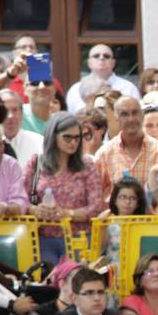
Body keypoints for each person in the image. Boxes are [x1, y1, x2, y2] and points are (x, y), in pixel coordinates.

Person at [25, 113, 104, 264]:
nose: (73, 142)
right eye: (67, 137)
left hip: (78, 239)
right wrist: (35, 210)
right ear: (53, 137)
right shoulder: (36, 163)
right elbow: (20, 199)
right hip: (41, 238)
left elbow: (96, 206)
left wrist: (67, 213)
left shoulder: (87, 165)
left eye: (77, 138)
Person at [93, 95, 158, 198]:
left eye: (135, 113)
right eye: (124, 114)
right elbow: (95, 196)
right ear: (116, 118)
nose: (131, 119)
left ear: (141, 115)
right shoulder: (103, 155)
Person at [66, 45, 140, 112]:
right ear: (89, 62)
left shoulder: (129, 88)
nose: (101, 58)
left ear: (113, 63)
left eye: (106, 56)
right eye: (96, 56)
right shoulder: (75, 89)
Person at [0, 90, 42, 168]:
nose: (10, 116)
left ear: (21, 113)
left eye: (15, 110)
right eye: (5, 111)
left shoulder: (39, 142)